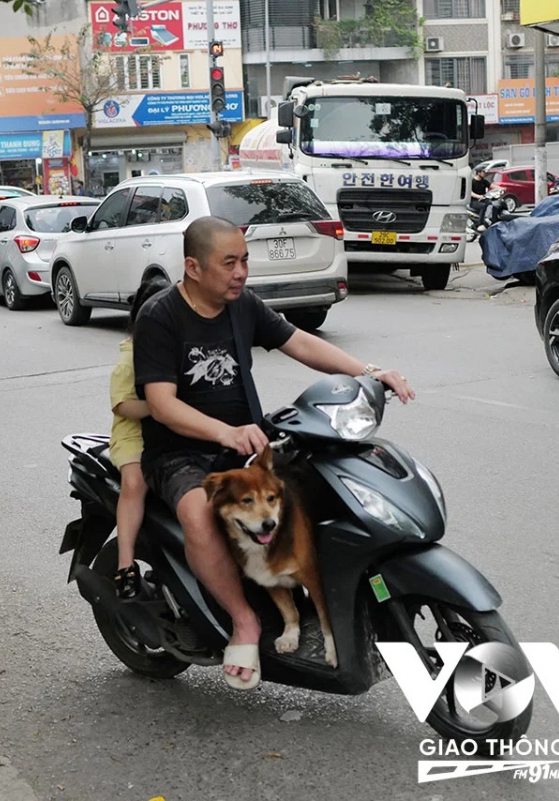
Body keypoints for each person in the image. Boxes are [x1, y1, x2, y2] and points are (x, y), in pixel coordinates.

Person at [132, 216, 413, 689]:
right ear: (194, 268)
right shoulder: (160, 316)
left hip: (250, 443)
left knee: (322, 482)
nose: (241, 272)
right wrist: (224, 433)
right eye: (229, 263)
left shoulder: (241, 305)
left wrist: (371, 371)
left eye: (244, 261)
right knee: (200, 516)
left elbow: (298, 341)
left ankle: (317, 593)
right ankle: (244, 620)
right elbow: (161, 405)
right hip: (182, 455)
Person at [108, 277, 166, 599]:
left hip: (168, 431)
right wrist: (157, 407)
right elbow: (121, 404)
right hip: (133, 436)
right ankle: (125, 565)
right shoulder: (129, 357)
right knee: (135, 483)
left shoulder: (174, 348)